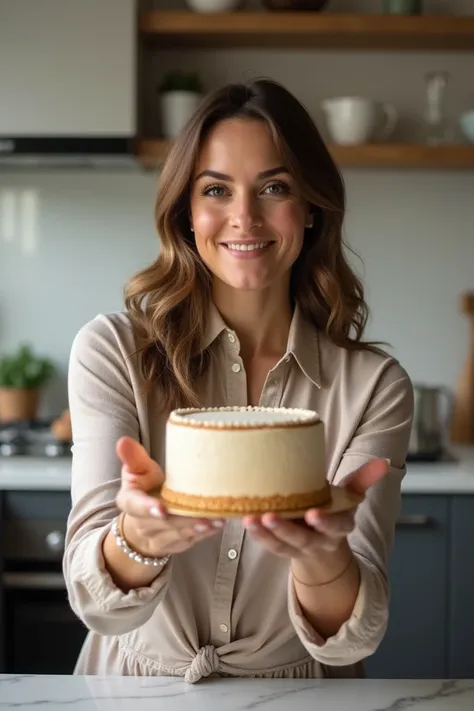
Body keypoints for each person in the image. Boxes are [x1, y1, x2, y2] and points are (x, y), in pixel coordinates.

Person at [63, 78, 414, 683]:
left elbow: (350, 641)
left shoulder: (374, 388)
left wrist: (326, 555)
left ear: (310, 208)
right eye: (216, 190)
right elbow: (95, 602)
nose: (244, 217)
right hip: (131, 688)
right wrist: (139, 536)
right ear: (186, 213)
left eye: (273, 187)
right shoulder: (113, 351)